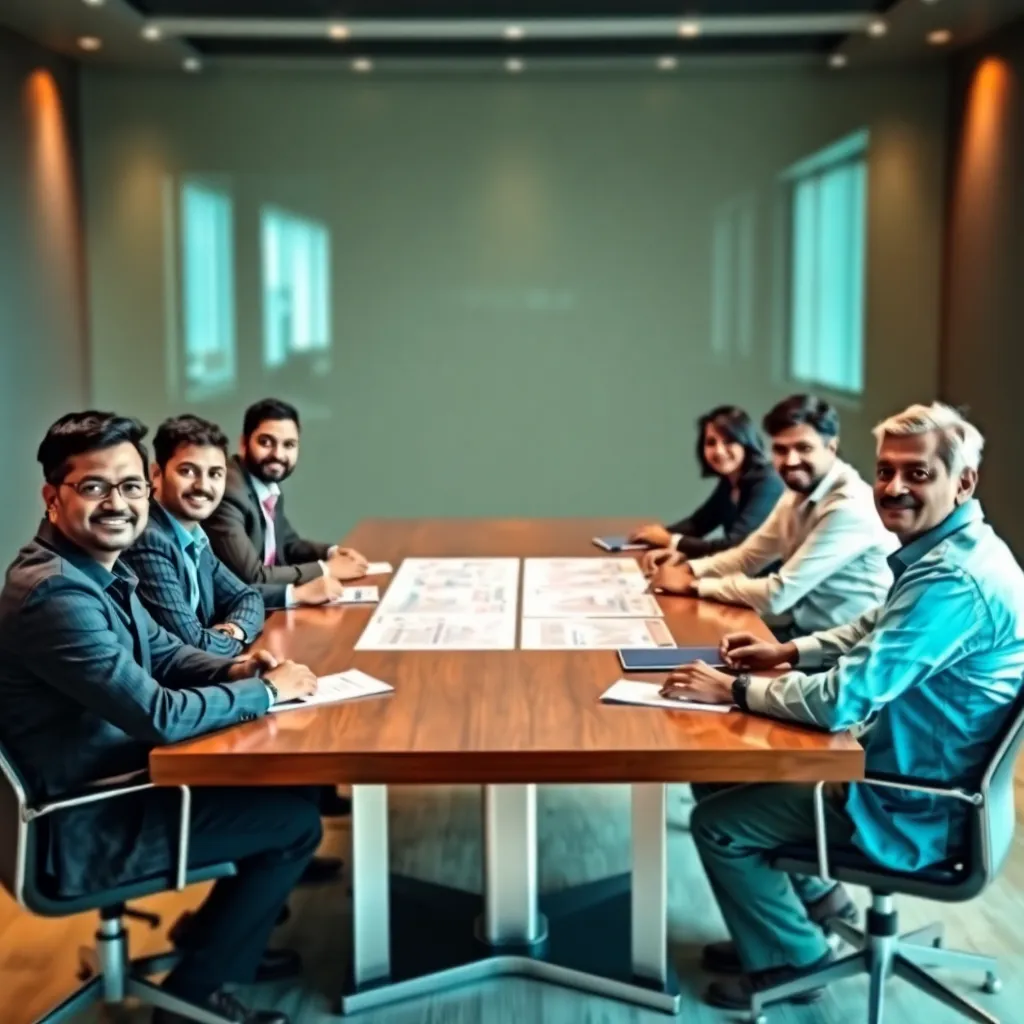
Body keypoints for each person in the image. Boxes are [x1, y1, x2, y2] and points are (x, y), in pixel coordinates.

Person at [660, 403, 1024, 1012]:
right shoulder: (956, 551)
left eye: (917, 473)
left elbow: (839, 700)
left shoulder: (953, 583)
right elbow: (870, 625)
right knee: (717, 771)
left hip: (910, 802)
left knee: (717, 824)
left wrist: (734, 690)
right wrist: (787, 651)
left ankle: (793, 960)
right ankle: (816, 907)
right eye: (886, 471)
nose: (894, 487)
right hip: (914, 774)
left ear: (963, 482)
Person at [0, 411, 325, 1024]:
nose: (117, 503)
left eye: (129, 487)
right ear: (52, 497)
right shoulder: (56, 597)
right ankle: (192, 995)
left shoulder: (95, 570)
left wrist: (237, 670)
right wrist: (267, 694)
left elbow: (167, 653)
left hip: (107, 782)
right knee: (296, 823)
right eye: (94, 487)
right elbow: (158, 714)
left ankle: (210, 944)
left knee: (286, 786)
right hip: (84, 823)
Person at [122, 413, 350, 865]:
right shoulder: (151, 539)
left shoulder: (193, 534)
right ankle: (257, 881)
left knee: (298, 740)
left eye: (214, 474)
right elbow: (193, 643)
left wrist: (232, 629)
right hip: (173, 711)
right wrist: (229, 639)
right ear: (155, 475)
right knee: (291, 741)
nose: (203, 486)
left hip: (195, 684)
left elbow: (246, 595)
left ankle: (276, 865)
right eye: (188, 471)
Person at [649, 394, 896, 639]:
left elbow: (779, 593)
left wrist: (694, 585)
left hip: (851, 651)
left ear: (831, 447)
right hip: (806, 634)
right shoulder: (796, 492)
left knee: (704, 658)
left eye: (804, 448)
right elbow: (748, 557)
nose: (790, 461)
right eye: (780, 449)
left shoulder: (848, 506)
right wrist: (689, 569)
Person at [204, 398, 368, 598]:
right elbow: (252, 576)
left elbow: (288, 544)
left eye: (289, 445)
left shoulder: (266, 483)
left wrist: (332, 553)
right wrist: (326, 569)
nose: (278, 455)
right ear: (243, 443)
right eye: (265, 442)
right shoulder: (228, 492)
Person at [631, 405, 783, 567]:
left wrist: (669, 540)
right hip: (738, 575)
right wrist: (653, 534)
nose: (719, 451)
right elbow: (698, 523)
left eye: (729, 441)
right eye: (711, 443)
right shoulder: (730, 480)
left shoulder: (768, 483)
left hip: (767, 583)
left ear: (746, 441)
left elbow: (733, 545)